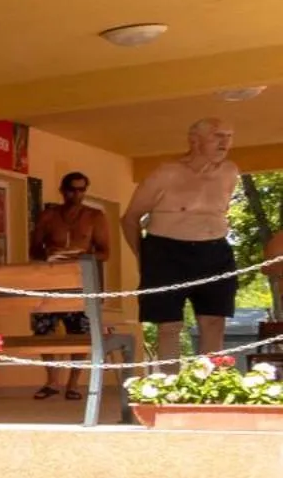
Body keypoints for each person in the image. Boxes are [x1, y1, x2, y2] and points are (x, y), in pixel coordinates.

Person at [122, 117, 240, 367]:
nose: (225, 142)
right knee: (169, 325)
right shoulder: (166, 173)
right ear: (195, 140)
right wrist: (144, 261)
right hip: (167, 252)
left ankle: (211, 391)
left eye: (229, 136)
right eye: (217, 136)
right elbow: (130, 218)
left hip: (215, 252)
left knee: (214, 322)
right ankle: (169, 390)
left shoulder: (230, 171)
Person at [29, 170, 111, 400]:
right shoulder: (49, 216)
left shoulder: (95, 216)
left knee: (80, 333)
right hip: (51, 281)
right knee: (44, 330)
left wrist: (81, 255)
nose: (77, 194)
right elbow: (34, 249)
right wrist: (51, 256)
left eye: (82, 189)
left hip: (81, 280)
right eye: (72, 189)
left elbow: (105, 252)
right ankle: (52, 380)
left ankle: (74, 384)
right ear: (63, 191)